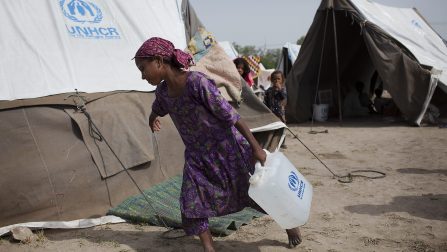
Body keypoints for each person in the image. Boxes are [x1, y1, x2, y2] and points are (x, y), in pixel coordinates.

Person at [133, 37, 302, 252]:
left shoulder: (197, 83)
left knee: (258, 192)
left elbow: (233, 117)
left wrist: (256, 148)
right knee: (191, 199)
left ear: (158, 61)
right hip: (197, 156)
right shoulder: (163, 92)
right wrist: (152, 117)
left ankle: (289, 225)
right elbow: (158, 107)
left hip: (229, 149)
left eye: (143, 68)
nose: (142, 75)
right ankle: (208, 247)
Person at [263, 70, 287, 148]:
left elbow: (284, 98)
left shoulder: (283, 89)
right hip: (271, 112)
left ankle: (282, 142)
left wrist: (280, 90)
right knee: (272, 127)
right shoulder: (269, 90)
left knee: (281, 127)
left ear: (282, 80)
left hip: (280, 113)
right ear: (272, 80)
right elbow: (265, 101)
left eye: (278, 79)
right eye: (274, 79)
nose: (276, 81)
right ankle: (271, 141)